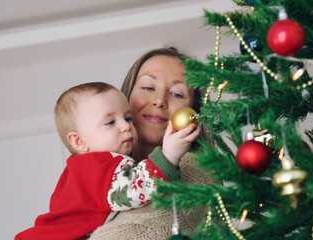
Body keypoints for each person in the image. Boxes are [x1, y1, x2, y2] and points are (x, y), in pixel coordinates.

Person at [15, 82, 200, 240]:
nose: (126, 126)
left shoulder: (78, 168)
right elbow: (134, 190)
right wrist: (169, 155)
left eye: (127, 118)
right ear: (80, 141)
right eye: (110, 122)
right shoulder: (101, 165)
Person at [89, 47, 215, 240]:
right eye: (148, 88)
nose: (159, 101)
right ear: (125, 97)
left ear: (194, 112)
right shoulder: (96, 168)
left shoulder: (197, 172)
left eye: (177, 94)